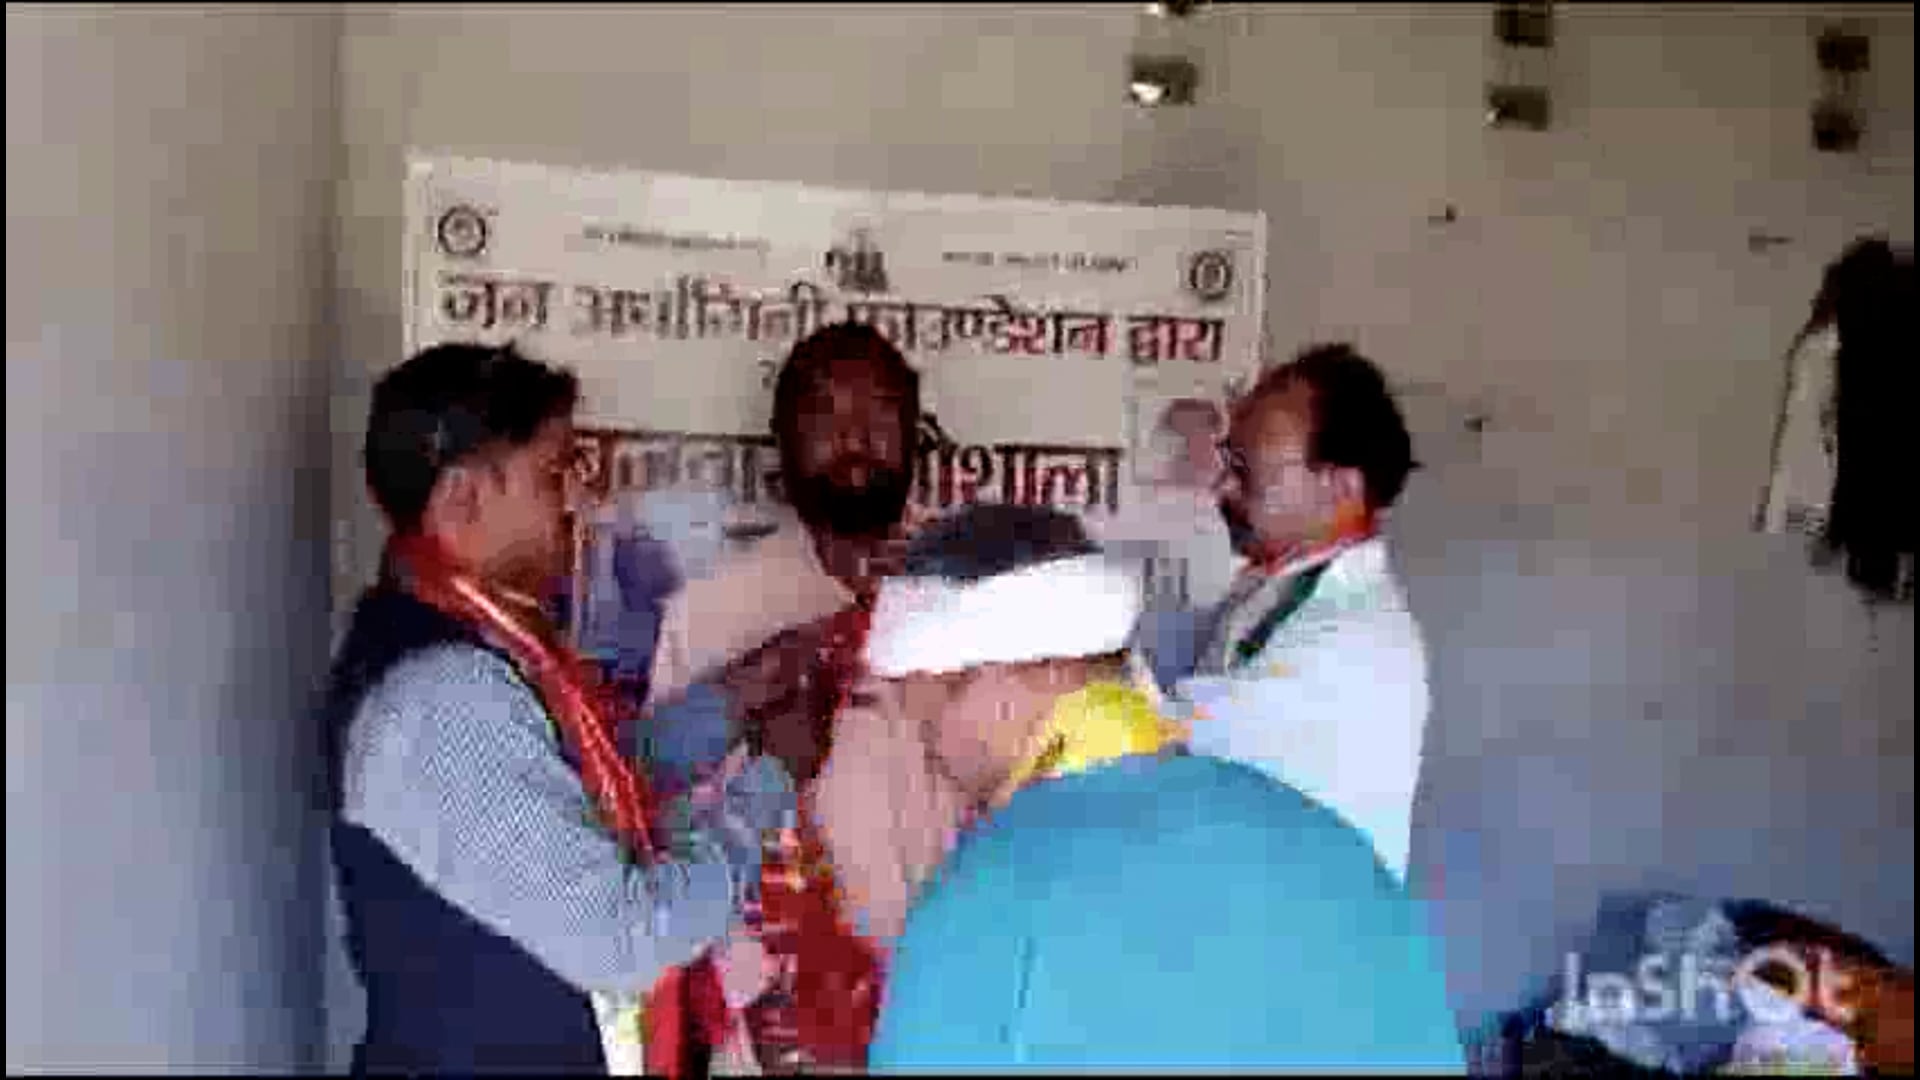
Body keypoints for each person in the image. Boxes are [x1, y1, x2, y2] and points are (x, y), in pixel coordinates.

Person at [858, 503, 1464, 1071]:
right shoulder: (1335, 851)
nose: (924, 746)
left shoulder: (982, 901)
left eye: (921, 711)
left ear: (984, 673)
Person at [323, 342, 786, 1074]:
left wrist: (734, 703)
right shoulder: (442, 696)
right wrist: (770, 784)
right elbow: (625, 937)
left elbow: (580, 789)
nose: (578, 503)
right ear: (463, 498)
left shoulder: (479, 646)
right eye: (553, 475)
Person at [638, 321, 968, 1073]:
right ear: (781, 443)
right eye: (826, 412)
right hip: (778, 1026)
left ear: (915, 433)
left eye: (879, 410)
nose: (855, 437)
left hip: (963, 1005)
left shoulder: (978, 593)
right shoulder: (713, 614)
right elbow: (664, 817)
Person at [1159, 342, 1431, 882]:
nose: (1223, 487)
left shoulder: (1351, 639)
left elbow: (1162, 743)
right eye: (1228, 462)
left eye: (1247, 471)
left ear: (1340, 487)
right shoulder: (1277, 589)